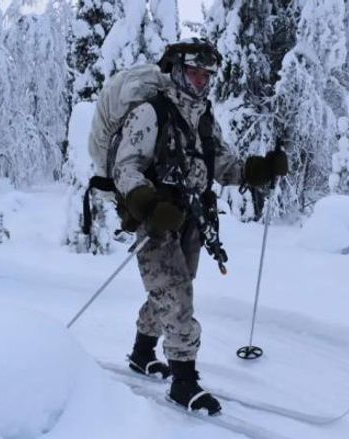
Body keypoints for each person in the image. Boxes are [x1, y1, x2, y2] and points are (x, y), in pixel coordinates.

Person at [111, 38, 288, 415]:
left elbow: (224, 166)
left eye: (207, 75)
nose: (201, 80)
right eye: (194, 72)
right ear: (177, 70)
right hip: (156, 222)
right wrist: (147, 204)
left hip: (192, 219)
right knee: (176, 294)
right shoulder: (151, 112)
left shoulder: (204, 116)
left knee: (167, 291)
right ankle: (183, 381)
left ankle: (142, 354)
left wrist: (259, 170)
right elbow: (125, 168)